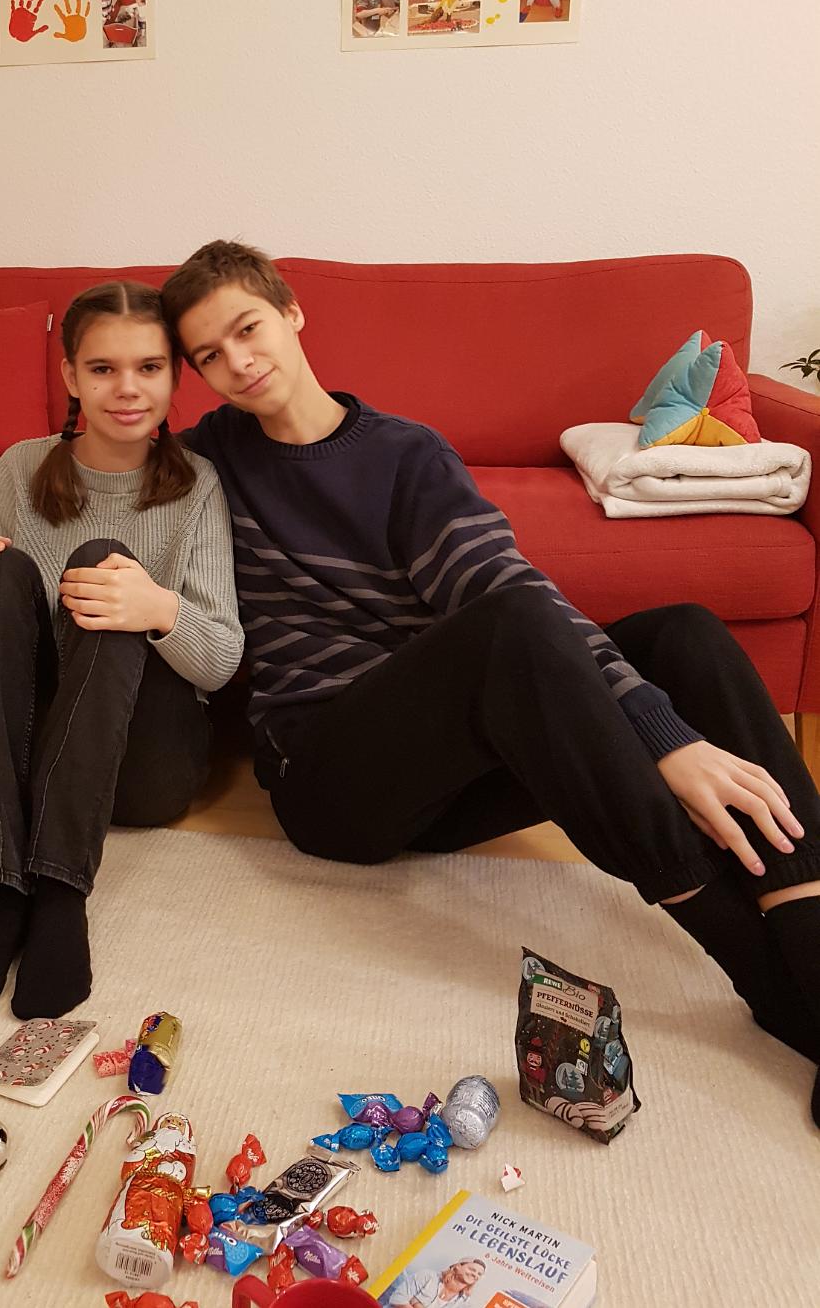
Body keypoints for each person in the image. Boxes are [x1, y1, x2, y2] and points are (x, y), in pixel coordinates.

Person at [160, 240, 820, 1129]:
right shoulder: (202, 462)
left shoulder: (404, 454)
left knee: (685, 634)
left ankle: (803, 921)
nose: (237, 362)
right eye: (208, 354)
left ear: (291, 311)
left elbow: (496, 583)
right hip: (331, 786)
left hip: (447, 767)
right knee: (513, 629)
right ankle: (762, 971)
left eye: (247, 329)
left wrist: (666, 736)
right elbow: (92, 466)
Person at [0, 282, 243, 1024]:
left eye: (148, 367)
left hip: (144, 764)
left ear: (174, 376)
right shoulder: (21, 467)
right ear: (71, 376)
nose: (127, 389)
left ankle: (60, 893)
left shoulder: (197, 483)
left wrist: (156, 607)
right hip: (37, 758)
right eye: (102, 369)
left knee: (105, 563)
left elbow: (222, 659)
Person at [384, 1258, 486, 1306]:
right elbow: (397, 1299)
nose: (475, 1275)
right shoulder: (428, 1276)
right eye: (472, 1269)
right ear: (458, 1266)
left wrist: (416, 1303)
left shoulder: (463, 1302)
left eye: (479, 1274)